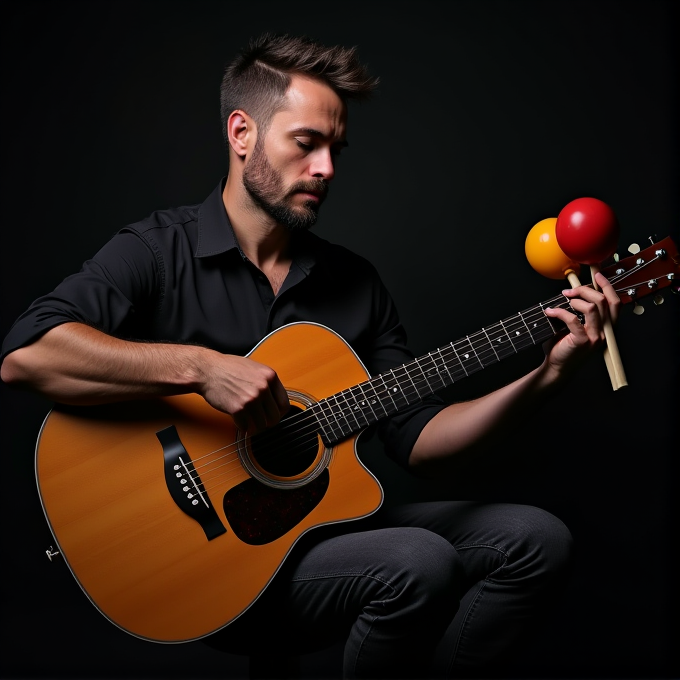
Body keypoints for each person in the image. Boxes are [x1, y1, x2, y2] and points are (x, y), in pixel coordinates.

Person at [0, 33, 619, 679]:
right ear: (242, 133)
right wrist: (201, 367)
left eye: (335, 150)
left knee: (536, 541)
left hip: (330, 533)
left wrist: (545, 377)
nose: (326, 168)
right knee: (418, 561)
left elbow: (419, 443)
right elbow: (26, 356)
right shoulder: (156, 251)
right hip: (209, 565)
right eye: (306, 143)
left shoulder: (356, 284)